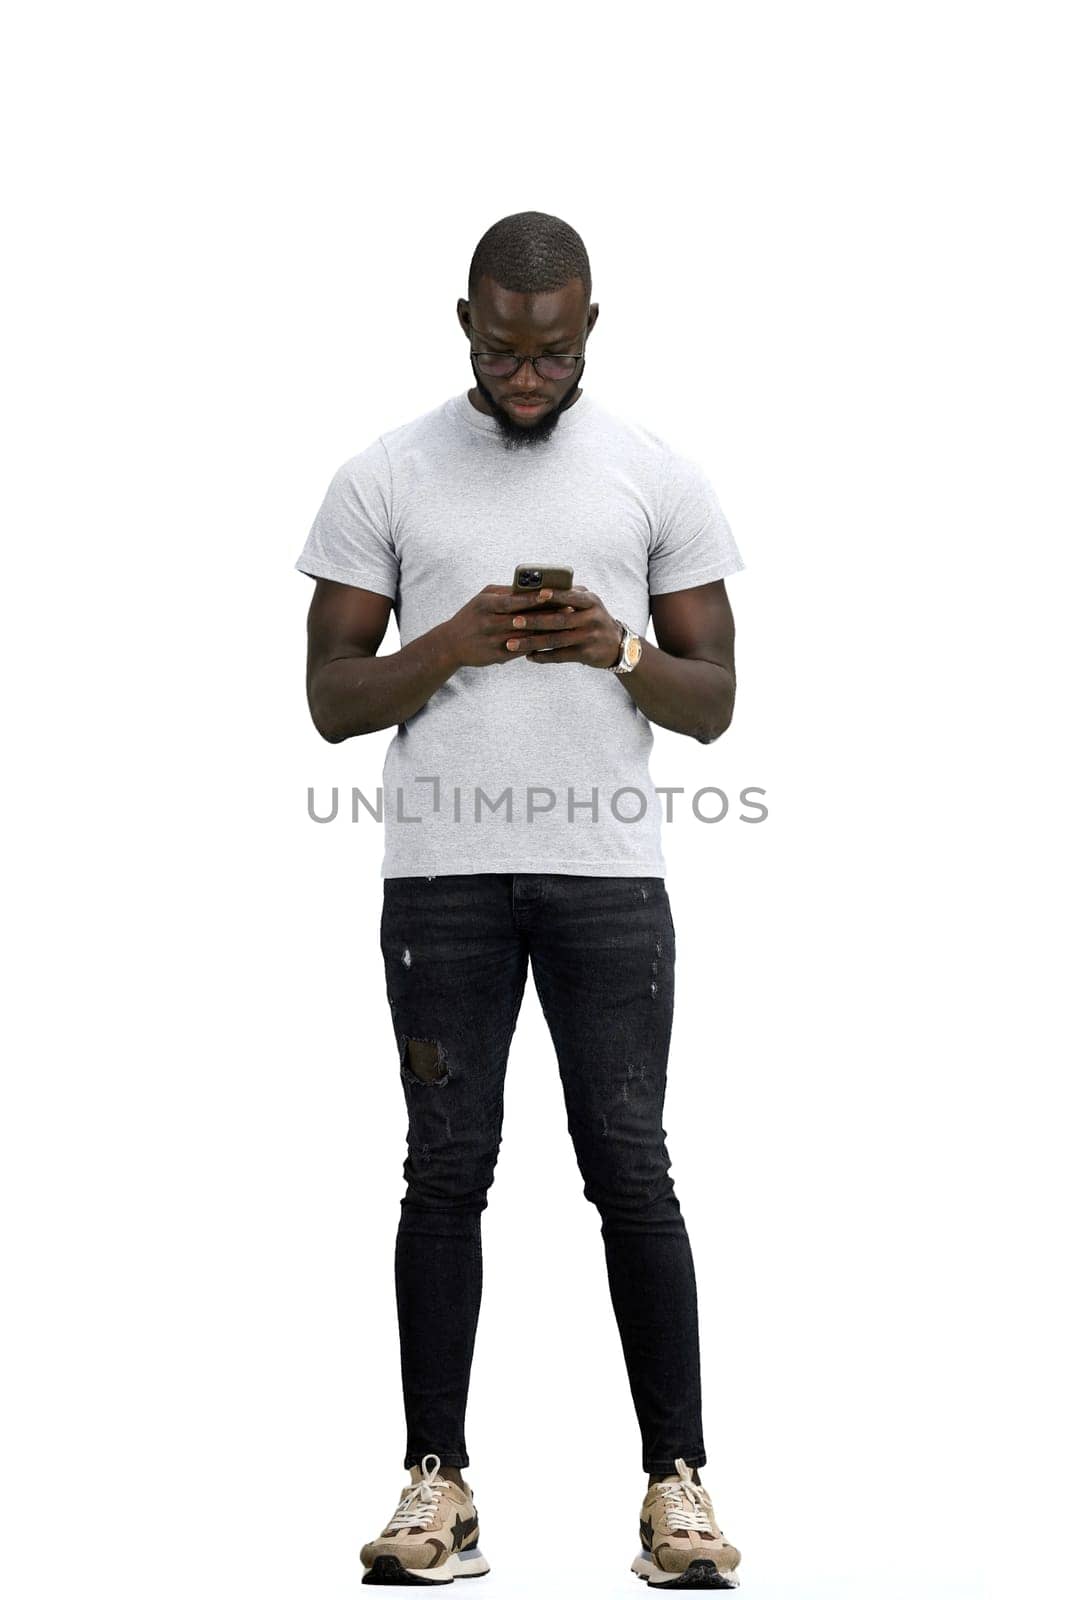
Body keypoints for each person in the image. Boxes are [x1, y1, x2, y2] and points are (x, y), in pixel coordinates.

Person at [296, 211, 745, 1589]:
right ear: (466, 324)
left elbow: (717, 704)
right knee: (445, 1175)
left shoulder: (657, 474)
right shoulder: (385, 473)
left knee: (634, 1174)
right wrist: (452, 641)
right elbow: (327, 703)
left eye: (551, 350)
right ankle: (438, 1482)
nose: (528, 372)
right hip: (441, 883)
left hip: (609, 881)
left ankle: (679, 1488)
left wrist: (617, 648)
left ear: (590, 329)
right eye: (504, 347)